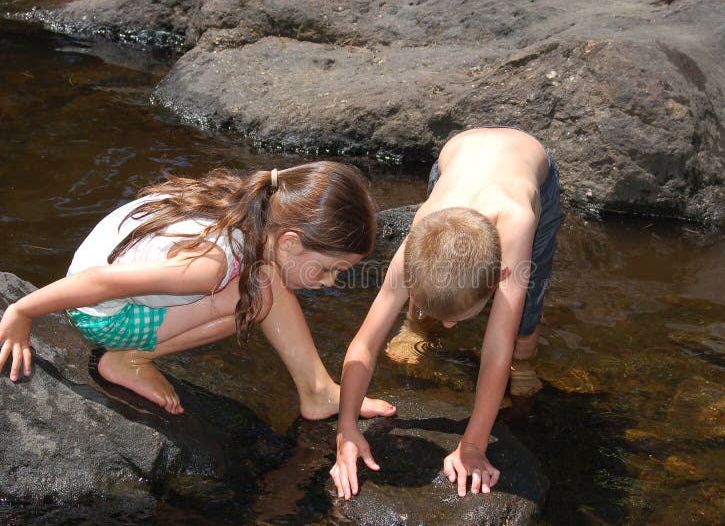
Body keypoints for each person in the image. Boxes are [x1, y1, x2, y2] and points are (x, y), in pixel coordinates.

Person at [0, 161, 396, 421]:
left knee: (263, 278)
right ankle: (129, 360)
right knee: (254, 298)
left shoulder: (251, 208)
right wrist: (22, 312)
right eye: (328, 269)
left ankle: (317, 389)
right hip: (102, 315)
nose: (329, 283)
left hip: (109, 281)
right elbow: (99, 283)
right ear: (291, 242)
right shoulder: (210, 266)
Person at [330, 127, 565, 499]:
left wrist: (473, 445)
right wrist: (346, 428)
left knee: (525, 311)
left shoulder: (517, 226)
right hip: (452, 165)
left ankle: (527, 360)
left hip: (530, 172)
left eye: (460, 317)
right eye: (444, 318)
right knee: (432, 277)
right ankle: (415, 326)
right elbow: (364, 342)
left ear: (499, 278)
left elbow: (495, 347)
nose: (450, 325)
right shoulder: (419, 233)